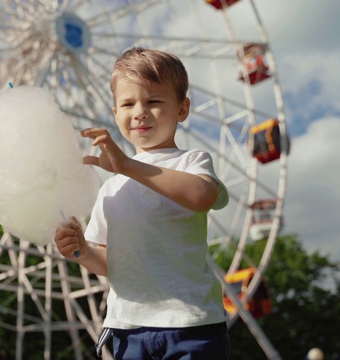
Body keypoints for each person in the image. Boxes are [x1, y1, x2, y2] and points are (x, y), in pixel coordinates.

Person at [54, 47, 230, 359]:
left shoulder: (191, 161)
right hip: (127, 327)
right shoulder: (111, 188)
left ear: (182, 109)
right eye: (128, 103)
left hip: (190, 322)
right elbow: (110, 263)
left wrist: (128, 166)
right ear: (115, 114)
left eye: (154, 101)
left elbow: (202, 196)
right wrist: (80, 250)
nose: (140, 112)